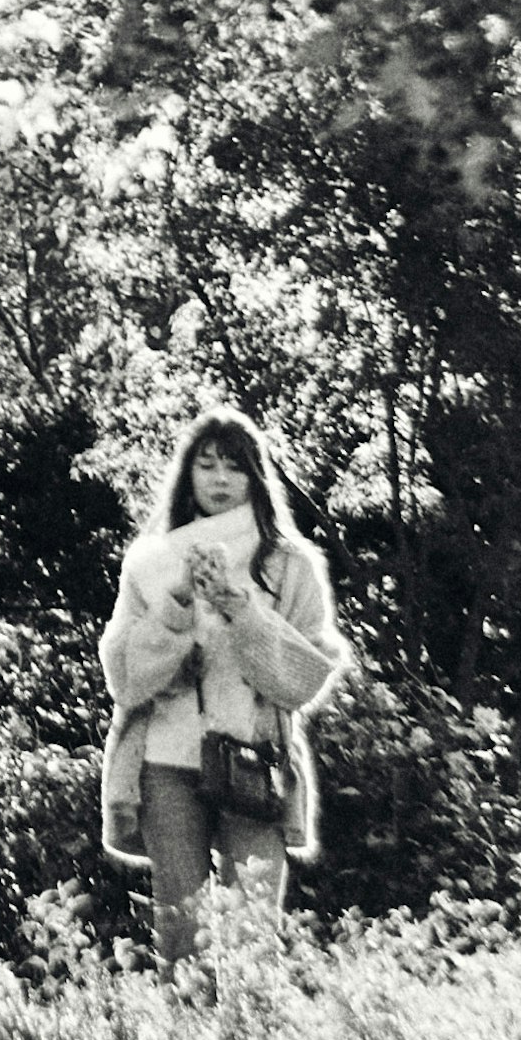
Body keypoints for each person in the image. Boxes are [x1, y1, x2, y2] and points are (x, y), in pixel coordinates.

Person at [97, 409, 351, 959]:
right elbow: (122, 674)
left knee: (252, 932)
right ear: (186, 476)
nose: (217, 480)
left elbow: (304, 678)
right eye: (205, 466)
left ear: (255, 479)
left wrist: (241, 609)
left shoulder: (289, 565)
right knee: (182, 929)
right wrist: (180, 603)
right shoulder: (150, 563)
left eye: (233, 469)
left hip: (256, 758)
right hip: (166, 761)